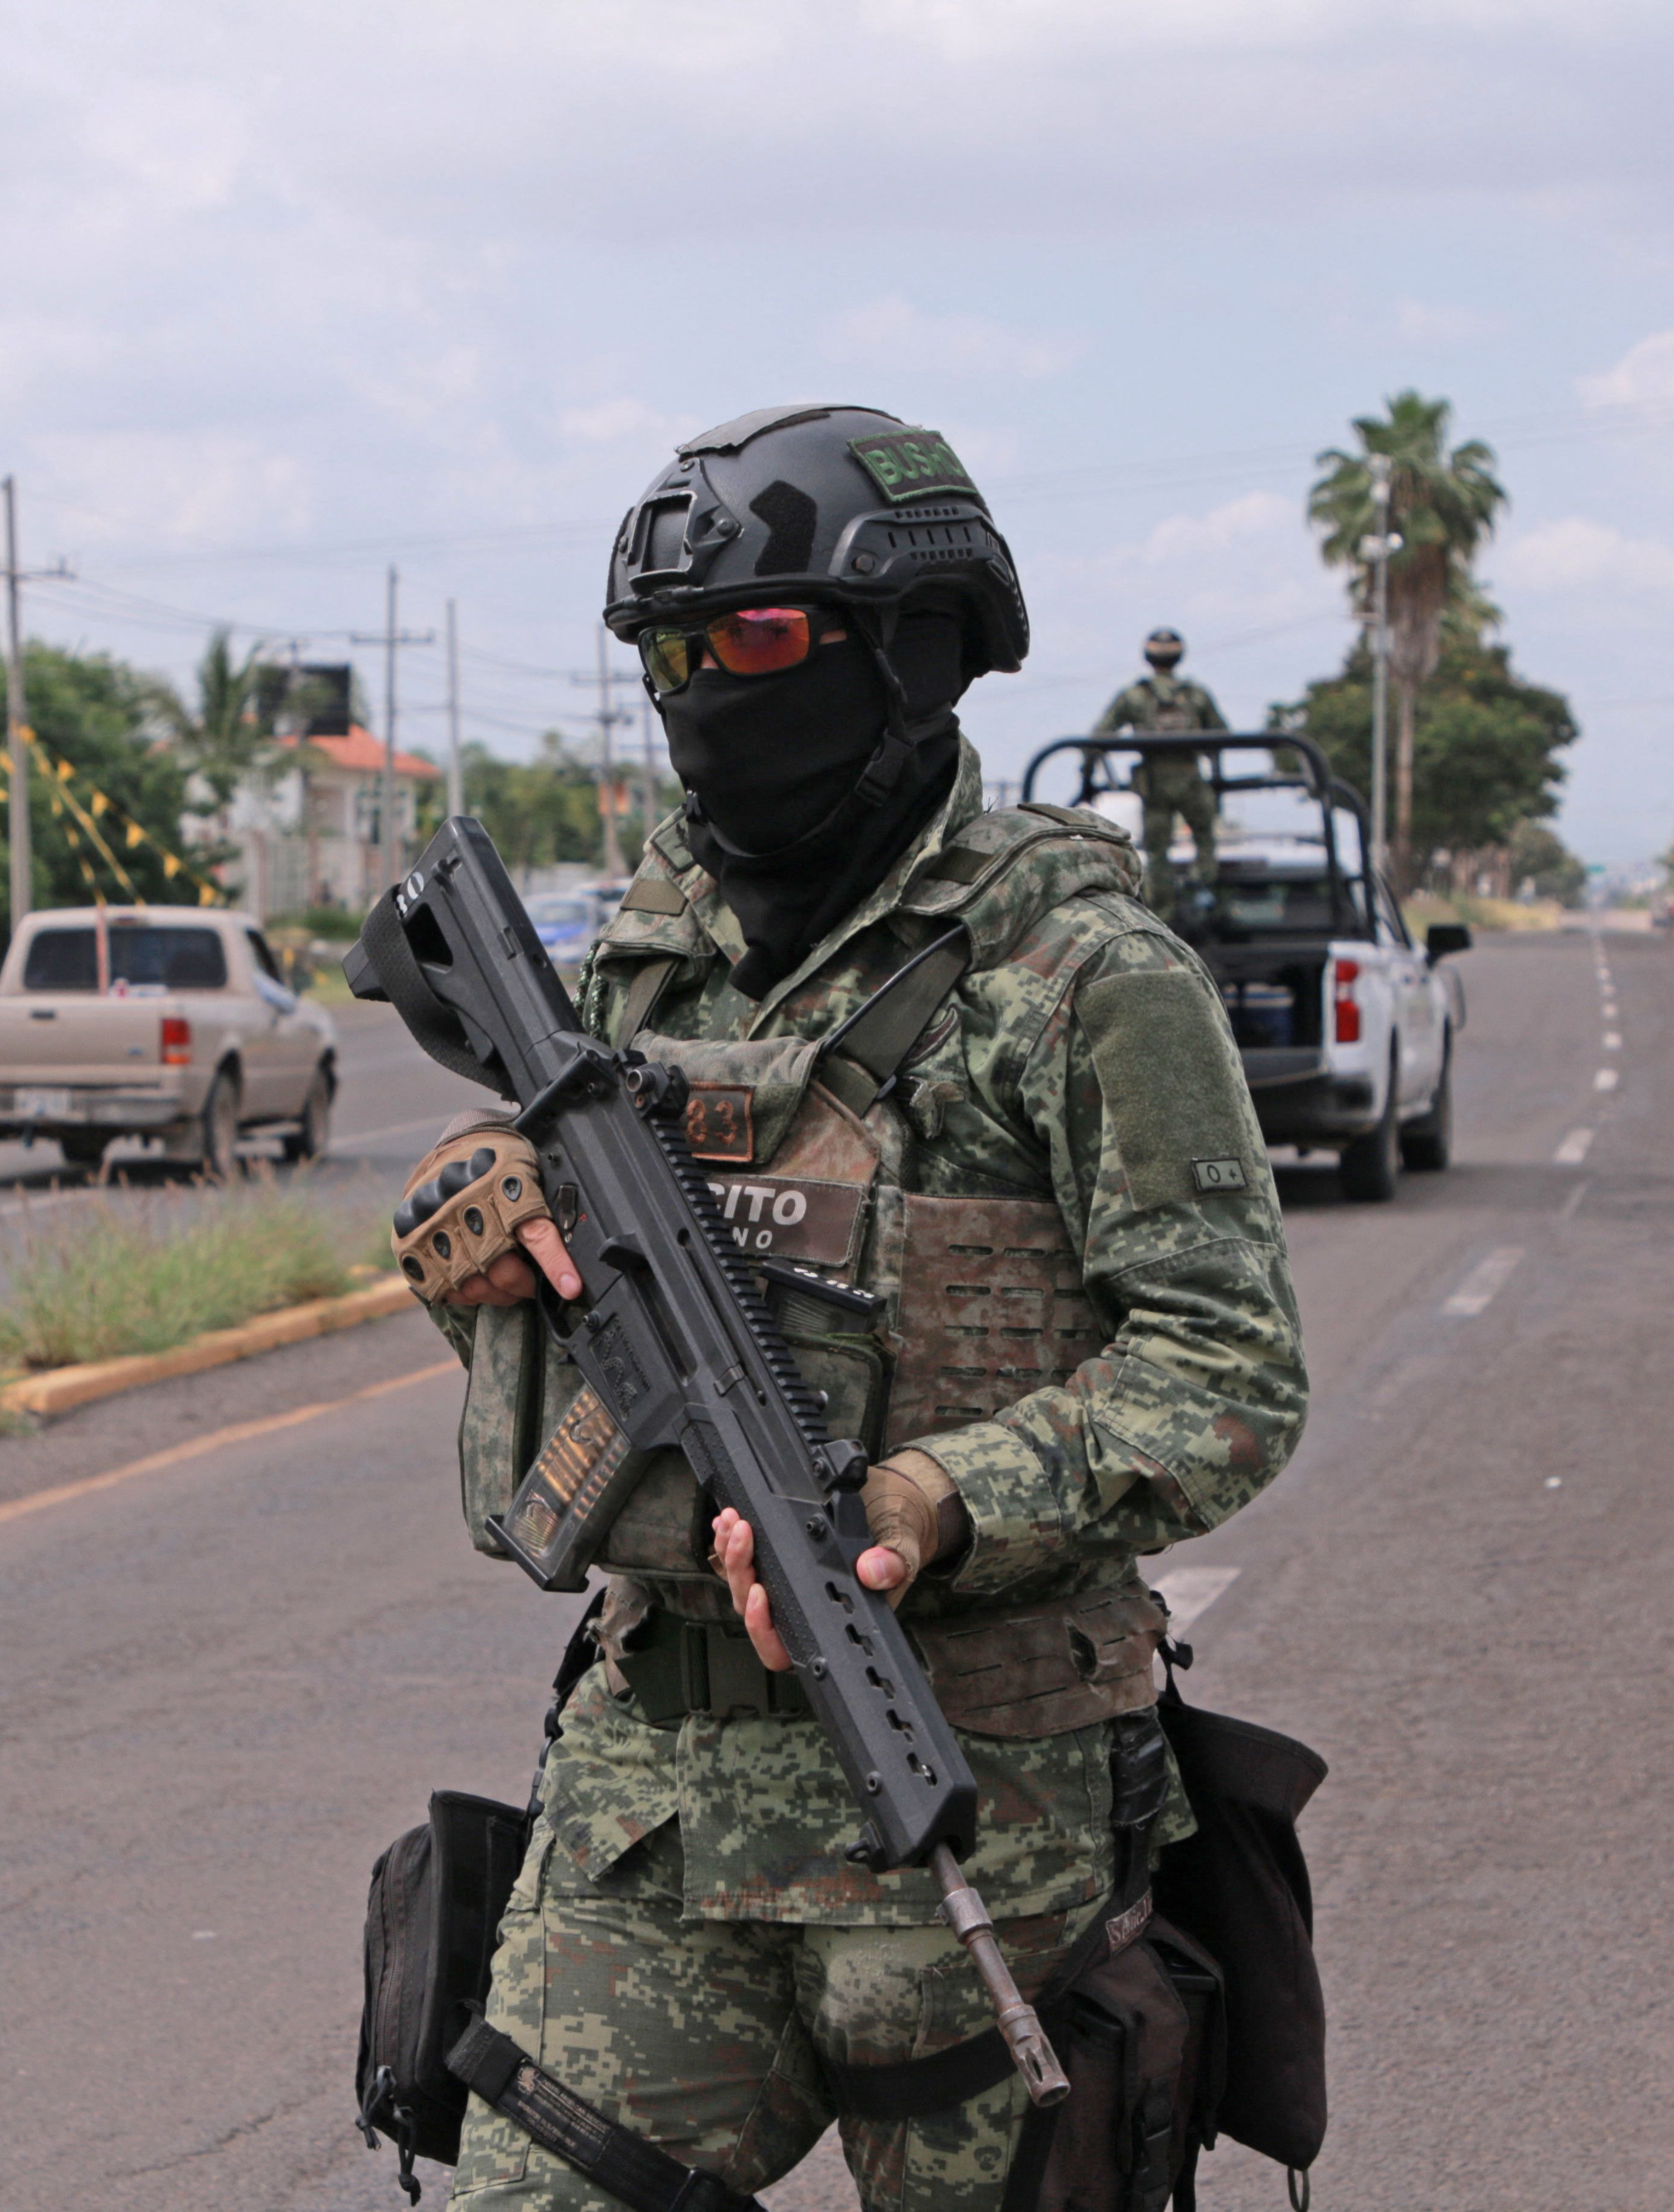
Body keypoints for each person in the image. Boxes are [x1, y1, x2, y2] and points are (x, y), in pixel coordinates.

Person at [398, 404, 1309, 2211]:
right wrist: (487, 1256)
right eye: (664, 650)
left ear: (908, 644)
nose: (695, 689)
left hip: (982, 1812)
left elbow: (1229, 1369)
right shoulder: (630, 966)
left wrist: (942, 1495)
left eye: (745, 640)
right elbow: (593, 1329)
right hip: (654, 1806)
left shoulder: (1080, 973)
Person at [1090, 628, 1225, 908]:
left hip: (1155, 787)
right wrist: (1216, 775)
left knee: (1157, 851)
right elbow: (1222, 736)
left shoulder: (1135, 696)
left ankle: (1163, 913)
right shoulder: (1196, 695)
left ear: (1148, 657)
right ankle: (1206, 898)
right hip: (1192, 781)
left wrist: (1087, 775)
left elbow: (1100, 736)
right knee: (1205, 839)